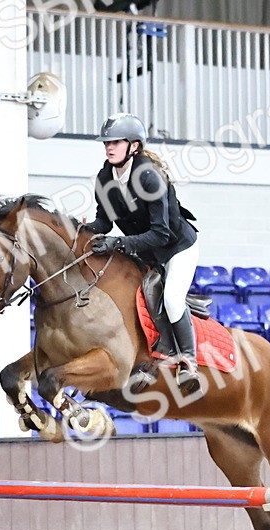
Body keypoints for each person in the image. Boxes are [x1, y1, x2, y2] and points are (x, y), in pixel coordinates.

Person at [80, 113, 200, 385]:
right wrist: (84, 229)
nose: (109, 147)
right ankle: (156, 354)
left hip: (177, 248)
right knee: (135, 298)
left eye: (116, 142)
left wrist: (119, 243)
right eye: (106, 143)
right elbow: (105, 221)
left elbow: (161, 233)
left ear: (134, 146)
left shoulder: (150, 177)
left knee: (170, 299)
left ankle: (189, 361)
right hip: (145, 251)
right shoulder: (105, 178)